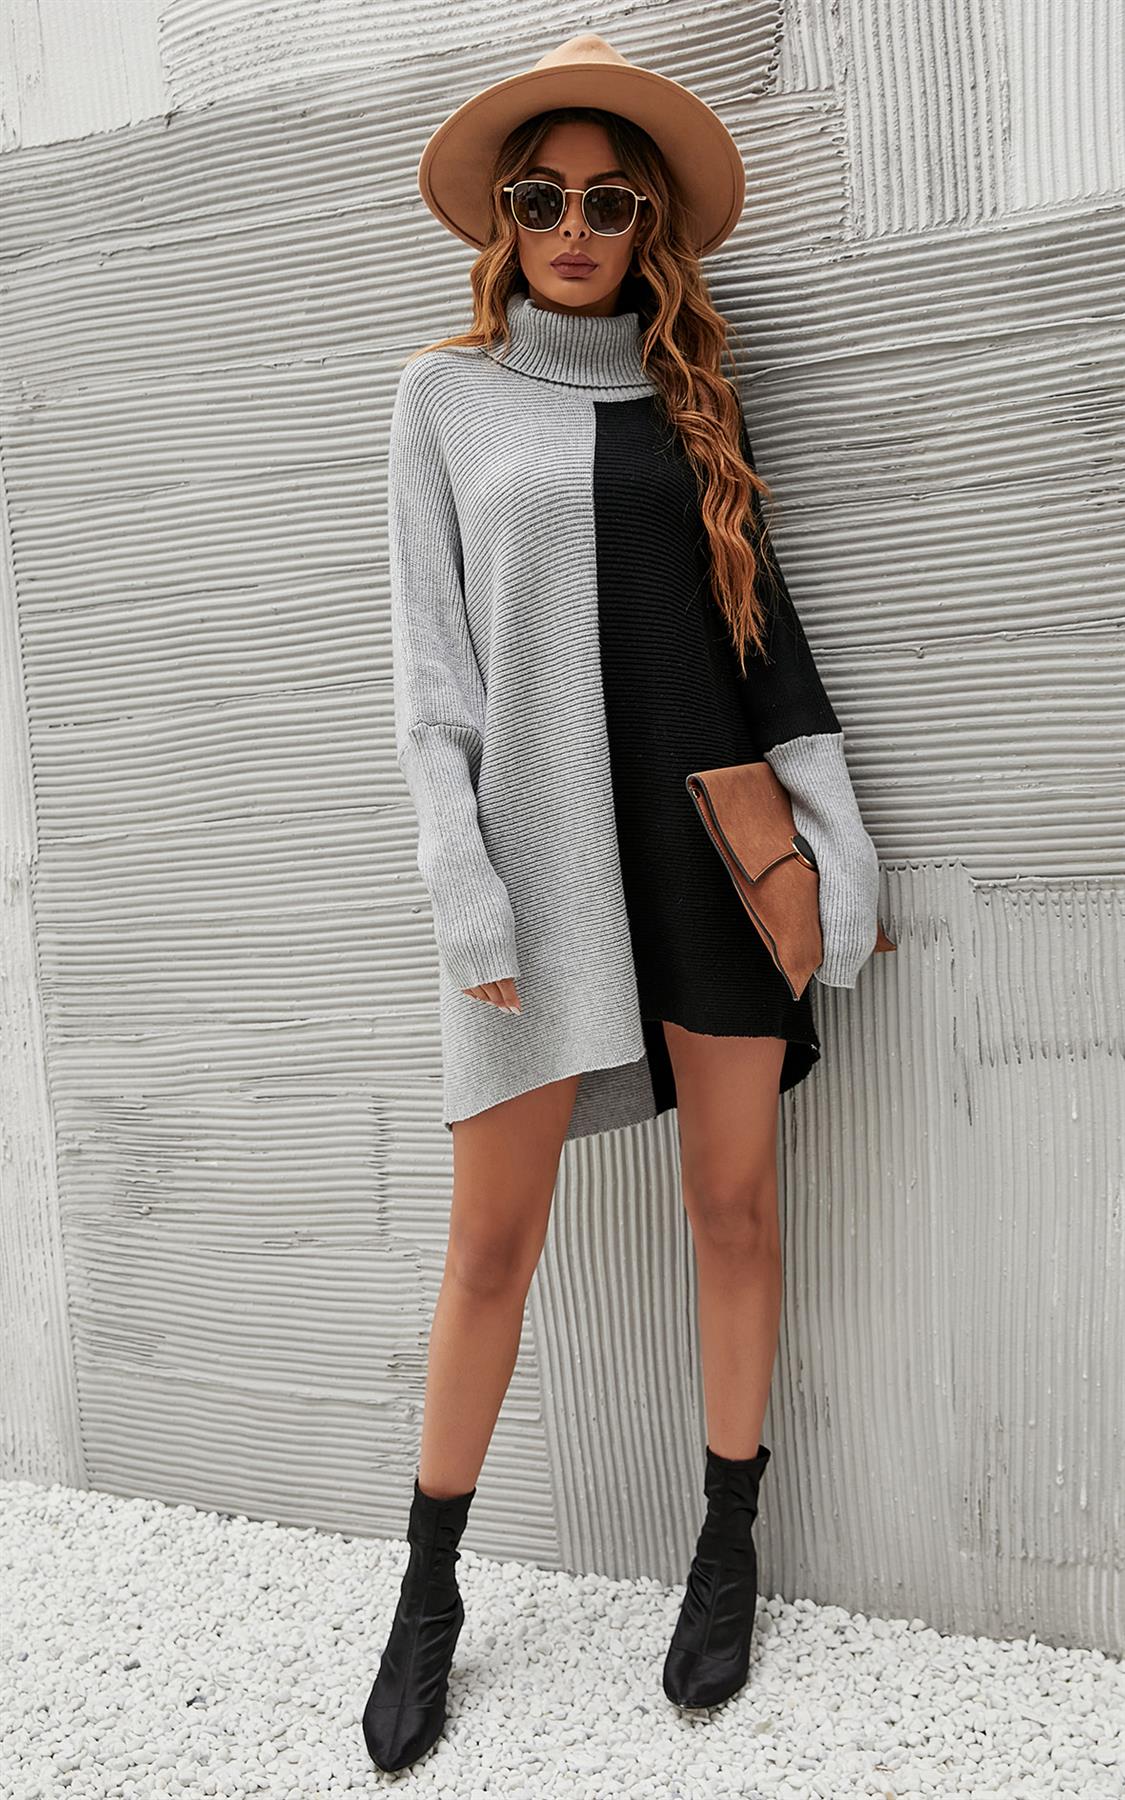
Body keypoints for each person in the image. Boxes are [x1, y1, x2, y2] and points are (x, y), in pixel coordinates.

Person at [362, 32, 883, 1774]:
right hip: (534, 868)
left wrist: (836, 851)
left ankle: (725, 1544)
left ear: (647, 223)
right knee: (488, 1246)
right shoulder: (443, 402)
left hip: (706, 861)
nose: (574, 227)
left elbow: (762, 645)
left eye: (606, 201)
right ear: (501, 224)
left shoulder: (692, 406)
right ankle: (426, 1592)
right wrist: (461, 885)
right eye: (541, 198)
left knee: (731, 1208)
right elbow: (429, 683)